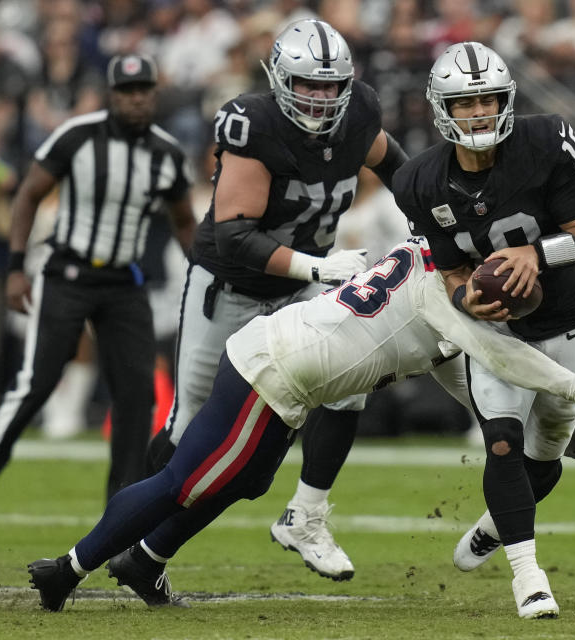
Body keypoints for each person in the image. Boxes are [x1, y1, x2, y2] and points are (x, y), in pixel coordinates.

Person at [25, 237, 575, 613]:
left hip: (284, 368)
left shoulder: (430, 273)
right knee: (184, 481)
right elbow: (499, 356)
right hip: (274, 370)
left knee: (243, 482)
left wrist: (559, 433)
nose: (490, 304)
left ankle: (144, 561)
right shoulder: (442, 294)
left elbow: (461, 376)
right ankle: (68, 570)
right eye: (489, 294)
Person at [143, 19, 407, 582]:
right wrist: (318, 265)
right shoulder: (252, 123)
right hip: (229, 286)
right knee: (189, 423)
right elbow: (235, 235)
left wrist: (434, 215)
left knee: (350, 387)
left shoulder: (359, 112)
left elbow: (393, 165)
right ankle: (135, 540)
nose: (319, 96)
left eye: (329, 85)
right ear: (280, 80)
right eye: (307, 85)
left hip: (305, 289)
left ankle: (306, 515)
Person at [393, 42, 575, 619]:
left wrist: (537, 254)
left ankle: (493, 528)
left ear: (506, 99)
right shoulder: (419, 180)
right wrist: (466, 297)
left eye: (487, 97)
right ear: (443, 109)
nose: (479, 111)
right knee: (504, 441)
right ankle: (528, 577)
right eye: (465, 102)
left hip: (567, 321)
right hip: (497, 334)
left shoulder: (541, 144)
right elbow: (450, 266)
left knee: (544, 454)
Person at [0, 54, 195, 499]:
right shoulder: (78, 136)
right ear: (112, 95)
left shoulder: (166, 153)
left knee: (136, 397)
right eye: (127, 91)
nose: (136, 99)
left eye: (143, 90)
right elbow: (29, 195)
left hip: (125, 281)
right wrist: (15, 268)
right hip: (67, 272)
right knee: (36, 383)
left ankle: (119, 513)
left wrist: (202, 273)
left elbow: (184, 220)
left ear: (154, 94)